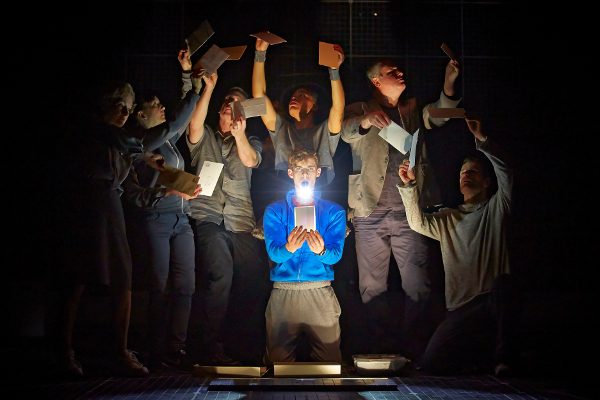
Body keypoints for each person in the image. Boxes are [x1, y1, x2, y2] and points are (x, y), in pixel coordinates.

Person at [55, 73, 202, 378]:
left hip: (111, 204)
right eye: (120, 106)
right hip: (87, 204)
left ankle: (120, 352)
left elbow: (138, 172)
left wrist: (164, 180)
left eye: (127, 107)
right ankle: (63, 351)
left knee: (123, 278)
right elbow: (162, 132)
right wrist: (194, 93)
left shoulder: (122, 142)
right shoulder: (101, 132)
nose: (124, 113)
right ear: (105, 105)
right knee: (75, 277)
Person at [340, 58, 461, 357]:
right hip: (369, 211)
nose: (400, 73)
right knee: (371, 286)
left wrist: (449, 81)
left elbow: (442, 114)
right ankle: (380, 346)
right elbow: (346, 131)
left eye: (399, 70)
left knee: (418, 284)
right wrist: (368, 120)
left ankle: (414, 349)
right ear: (377, 81)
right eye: (392, 72)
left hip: (411, 211)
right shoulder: (361, 108)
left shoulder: (412, 109)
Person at [397, 115, 521, 376]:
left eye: (473, 171)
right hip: (460, 309)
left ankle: (505, 360)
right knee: (431, 364)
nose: (466, 175)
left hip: (490, 301)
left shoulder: (496, 208)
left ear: (486, 182)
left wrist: (483, 142)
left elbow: (506, 172)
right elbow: (417, 223)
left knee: (505, 285)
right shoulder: (448, 218)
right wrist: (408, 186)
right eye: (463, 171)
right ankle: (479, 358)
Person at [121, 49, 202, 372]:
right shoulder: (141, 140)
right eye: (155, 106)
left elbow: (180, 118)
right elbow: (133, 194)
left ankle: (175, 349)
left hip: (181, 219)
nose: (162, 108)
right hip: (155, 220)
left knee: (186, 285)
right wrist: (163, 193)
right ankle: (154, 350)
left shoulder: (166, 142)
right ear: (140, 115)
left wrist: (188, 79)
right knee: (159, 286)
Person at [186, 73, 267, 365]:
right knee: (220, 276)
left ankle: (241, 345)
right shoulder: (206, 134)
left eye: (238, 104)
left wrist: (240, 133)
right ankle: (209, 346)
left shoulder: (251, 139)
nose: (231, 106)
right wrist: (209, 88)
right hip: (208, 216)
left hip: (241, 219)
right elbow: (194, 127)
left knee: (251, 280)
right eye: (227, 101)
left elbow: (250, 160)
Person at [263, 148, 346, 363]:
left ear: (318, 172)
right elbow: (274, 252)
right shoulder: (275, 210)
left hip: (319, 290)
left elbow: (335, 255)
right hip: (284, 292)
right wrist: (288, 248)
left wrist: (321, 251)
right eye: (299, 169)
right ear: (290, 173)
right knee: (277, 365)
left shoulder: (334, 211)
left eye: (310, 169)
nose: (305, 174)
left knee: (330, 364)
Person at [251, 35, 345, 186]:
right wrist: (260, 53)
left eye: (302, 95)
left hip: (320, 194)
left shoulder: (324, 131)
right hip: (285, 191)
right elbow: (259, 97)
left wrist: (334, 71)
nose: (293, 99)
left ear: (314, 106)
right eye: (292, 97)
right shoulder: (281, 129)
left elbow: (338, 108)